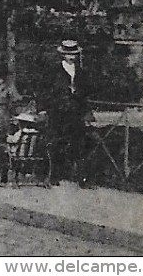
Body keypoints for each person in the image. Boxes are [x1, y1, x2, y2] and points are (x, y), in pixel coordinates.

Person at [37, 39, 95, 188]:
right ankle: (53, 175)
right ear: (62, 55)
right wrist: (42, 109)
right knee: (56, 143)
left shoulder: (81, 72)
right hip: (58, 112)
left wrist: (86, 110)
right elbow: (43, 91)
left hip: (76, 113)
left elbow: (86, 92)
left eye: (74, 54)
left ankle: (82, 179)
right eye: (68, 54)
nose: (72, 57)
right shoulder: (53, 71)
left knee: (79, 144)